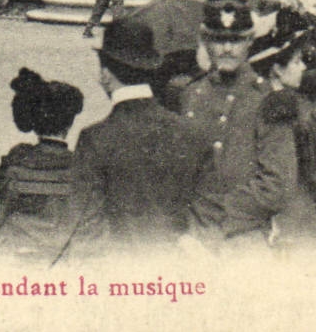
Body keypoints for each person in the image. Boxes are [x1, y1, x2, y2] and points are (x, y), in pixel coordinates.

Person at [57, 17, 213, 263]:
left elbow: (87, 229)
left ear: (105, 74)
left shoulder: (94, 139)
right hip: (177, 276)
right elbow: (207, 221)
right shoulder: (191, 132)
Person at [215, 14, 316, 246]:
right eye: (296, 61)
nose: (304, 66)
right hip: (290, 221)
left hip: (267, 220)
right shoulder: (300, 111)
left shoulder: (248, 105)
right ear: (276, 69)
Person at [183, 0, 270, 230]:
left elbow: (274, 185)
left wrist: (218, 219)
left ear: (250, 40)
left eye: (236, 40)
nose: (228, 49)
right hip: (193, 228)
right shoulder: (191, 94)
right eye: (219, 40)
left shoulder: (266, 98)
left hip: (243, 229)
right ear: (206, 41)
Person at [0, 68, 85, 264]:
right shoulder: (82, 165)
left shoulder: (16, 160)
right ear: (69, 124)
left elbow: (0, 218)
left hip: (17, 259)